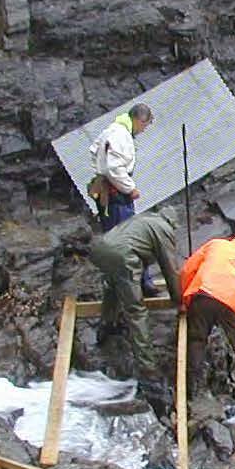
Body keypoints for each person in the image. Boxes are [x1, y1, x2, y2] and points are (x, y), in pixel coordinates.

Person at [87, 207, 180, 395]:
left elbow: (140, 249)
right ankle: (149, 371)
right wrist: (179, 300)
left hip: (100, 248)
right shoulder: (163, 229)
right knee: (136, 311)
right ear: (172, 223)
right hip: (122, 256)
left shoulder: (144, 219)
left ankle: (107, 323)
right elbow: (170, 269)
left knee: (114, 283)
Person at [178, 232, 235, 401]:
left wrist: (184, 299)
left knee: (197, 339)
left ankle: (192, 387)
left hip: (203, 294)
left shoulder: (215, 244)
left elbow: (188, 269)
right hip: (231, 300)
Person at [86, 102, 153, 233]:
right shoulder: (120, 135)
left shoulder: (111, 130)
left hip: (107, 190)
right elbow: (114, 168)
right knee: (122, 233)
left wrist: (100, 172)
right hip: (116, 194)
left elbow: (94, 151)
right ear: (138, 120)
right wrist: (130, 188)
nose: (143, 130)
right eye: (145, 125)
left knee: (111, 232)